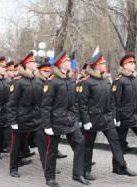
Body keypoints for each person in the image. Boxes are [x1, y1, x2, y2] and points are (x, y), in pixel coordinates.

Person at [79, 52, 137, 180]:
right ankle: (86, 170)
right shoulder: (86, 82)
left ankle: (122, 166)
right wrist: (85, 121)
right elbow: (82, 104)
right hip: (92, 120)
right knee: (88, 146)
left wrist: (114, 116)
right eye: (102, 63)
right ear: (95, 66)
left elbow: (112, 101)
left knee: (116, 142)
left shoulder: (106, 80)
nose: (105, 65)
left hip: (107, 119)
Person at [41, 51, 88, 187]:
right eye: (67, 61)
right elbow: (45, 106)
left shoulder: (70, 79)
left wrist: (77, 118)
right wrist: (47, 125)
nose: (70, 63)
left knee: (80, 142)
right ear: (61, 64)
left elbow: (74, 102)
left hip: (70, 120)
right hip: (55, 121)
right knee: (52, 150)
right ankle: (50, 177)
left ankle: (77, 174)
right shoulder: (52, 81)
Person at [7, 52, 41, 177]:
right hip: (21, 118)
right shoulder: (18, 81)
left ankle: (47, 167)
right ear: (27, 64)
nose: (36, 64)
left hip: (35, 119)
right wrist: (13, 121)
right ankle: (13, 168)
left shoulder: (37, 80)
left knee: (42, 143)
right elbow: (11, 103)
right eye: (33, 62)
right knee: (16, 145)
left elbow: (41, 101)